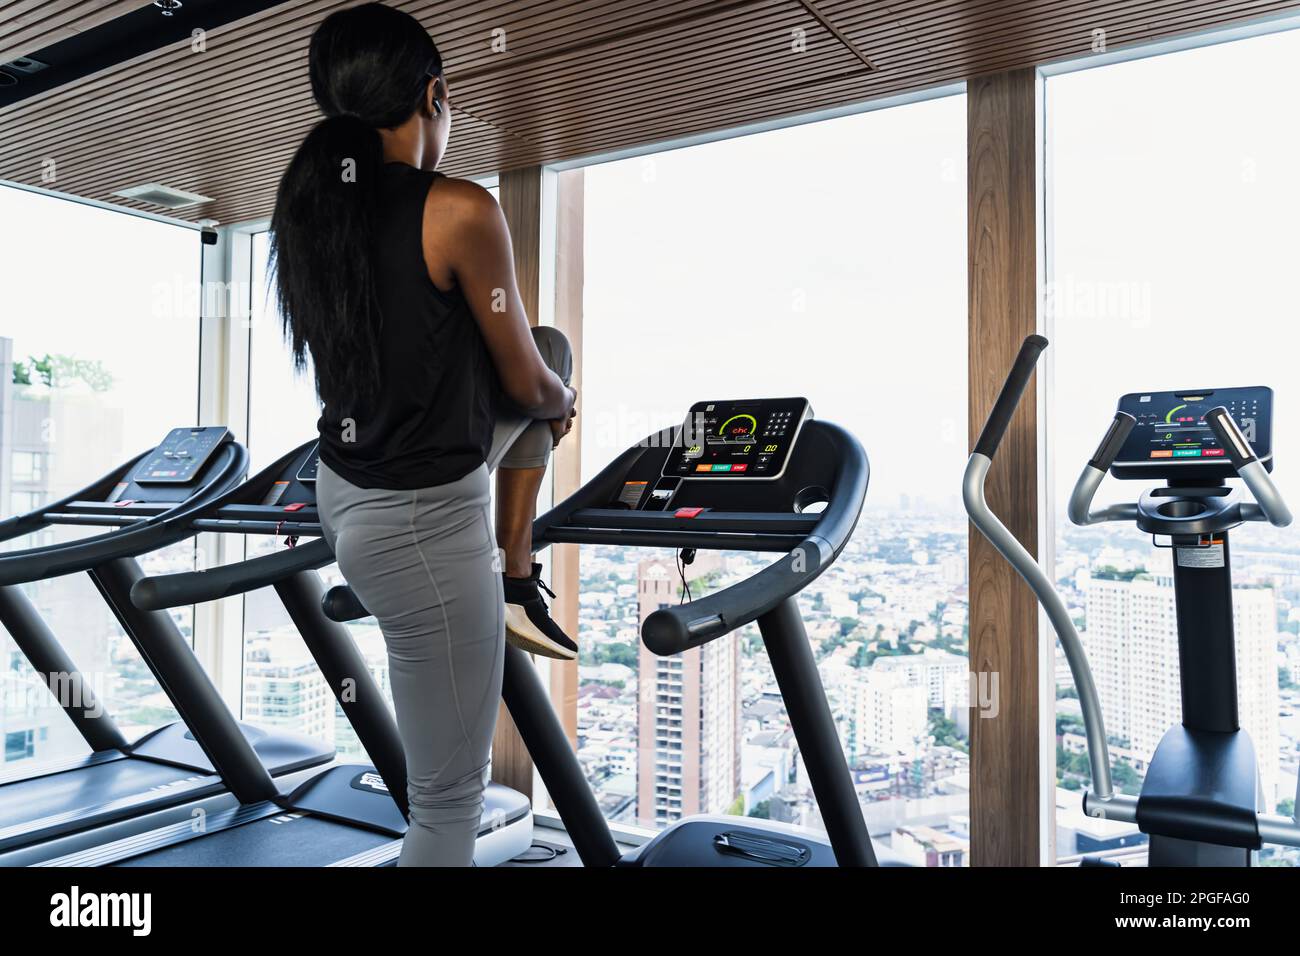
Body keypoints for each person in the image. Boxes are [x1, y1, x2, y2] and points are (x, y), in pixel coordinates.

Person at [270, 2, 578, 866]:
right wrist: (562, 400)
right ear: (434, 95)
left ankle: (514, 575)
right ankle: (512, 574)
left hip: (346, 489)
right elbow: (524, 379)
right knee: (446, 811)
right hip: (422, 520)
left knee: (545, 346)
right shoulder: (461, 210)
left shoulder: (306, 215)